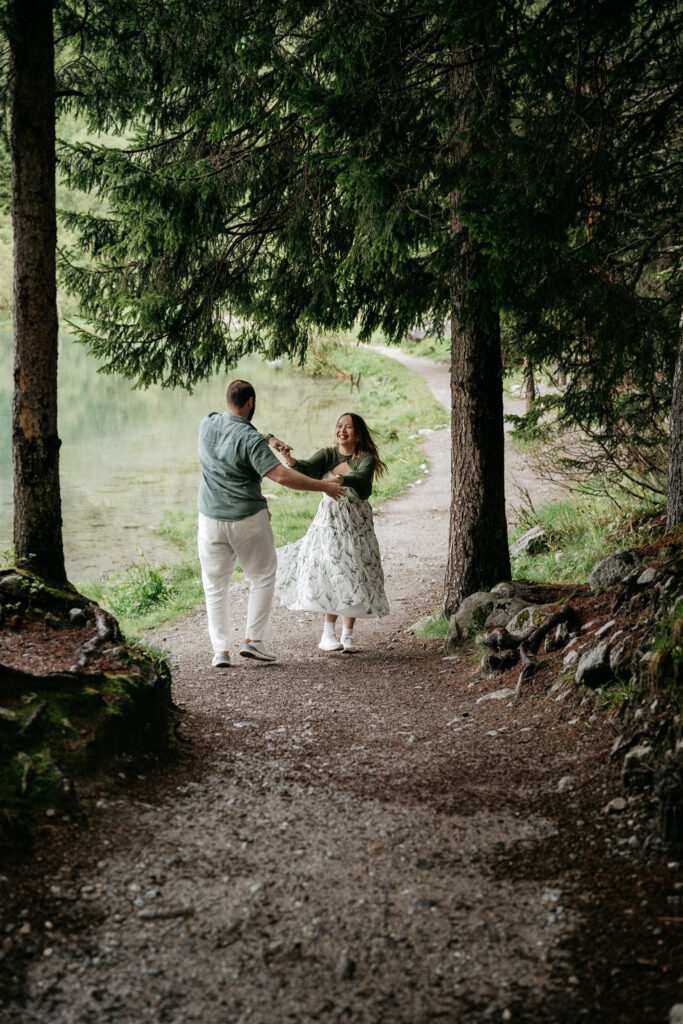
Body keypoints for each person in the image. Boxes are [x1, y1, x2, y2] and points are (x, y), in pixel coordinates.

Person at [197, 379, 344, 667]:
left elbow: (234, 431)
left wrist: (268, 437)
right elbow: (281, 476)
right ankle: (254, 641)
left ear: (228, 399)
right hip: (247, 519)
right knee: (263, 576)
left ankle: (221, 652)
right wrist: (323, 486)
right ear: (250, 402)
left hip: (209, 520)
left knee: (215, 586)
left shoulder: (207, 424)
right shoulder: (250, 440)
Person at [276, 412, 390, 653]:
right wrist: (291, 460)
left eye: (348, 427)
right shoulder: (328, 454)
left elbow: (363, 483)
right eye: (339, 426)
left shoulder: (365, 458)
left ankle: (348, 635)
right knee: (333, 572)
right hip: (329, 525)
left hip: (356, 527)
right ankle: (328, 633)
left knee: (355, 572)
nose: (342, 431)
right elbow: (308, 468)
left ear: (357, 434)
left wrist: (339, 480)